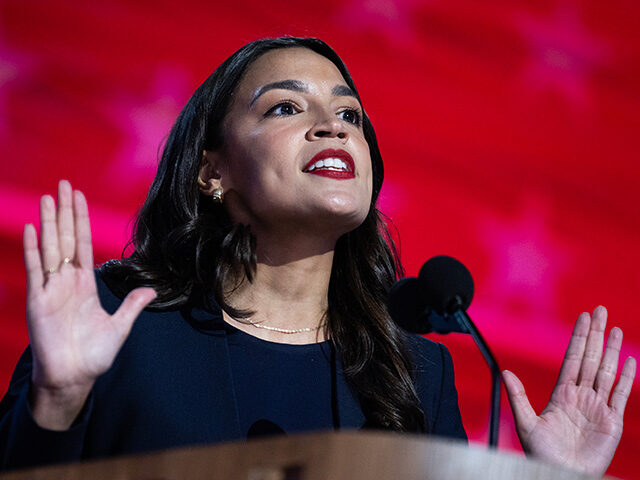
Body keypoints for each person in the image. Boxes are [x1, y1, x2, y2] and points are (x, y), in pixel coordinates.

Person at [0, 37, 635, 475]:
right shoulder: (117, 326)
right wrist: (58, 400)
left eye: (349, 114)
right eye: (285, 106)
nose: (333, 126)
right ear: (211, 172)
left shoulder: (417, 373)